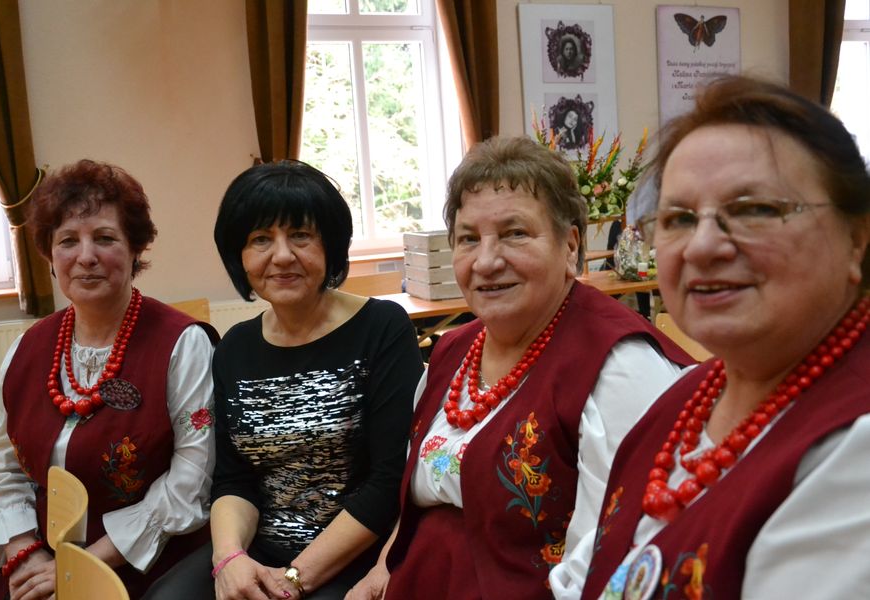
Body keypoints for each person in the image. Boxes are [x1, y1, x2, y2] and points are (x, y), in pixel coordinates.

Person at [552, 75, 870, 599]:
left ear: (856, 239)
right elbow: (590, 566)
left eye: (754, 209)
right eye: (677, 218)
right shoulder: (684, 398)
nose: (701, 247)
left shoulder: (855, 445)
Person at [346, 136, 693, 600]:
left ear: (570, 247)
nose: (487, 261)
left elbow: (612, 555)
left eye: (515, 234)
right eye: (469, 239)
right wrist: (382, 569)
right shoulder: (451, 351)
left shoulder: (618, 367)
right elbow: (421, 497)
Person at [144, 160, 424, 600]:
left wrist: (294, 579)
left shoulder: (382, 328)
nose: (281, 256)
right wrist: (229, 560)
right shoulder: (235, 348)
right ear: (239, 255)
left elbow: (389, 481)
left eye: (300, 235)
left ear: (330, 245)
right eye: (260, 239)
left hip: (356, 555)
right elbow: (234, 479)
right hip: (261, 548)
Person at [0, 159, 218, 600]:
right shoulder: (26, 350)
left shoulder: (183, 345)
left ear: (135, 250)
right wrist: (26, 553)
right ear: (50, 257)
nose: (86, 256)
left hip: (146, 561)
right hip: (40, 559)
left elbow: (191, 479)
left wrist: (80, 567)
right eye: (68, 240)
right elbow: (4, 465)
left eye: (105, 238)